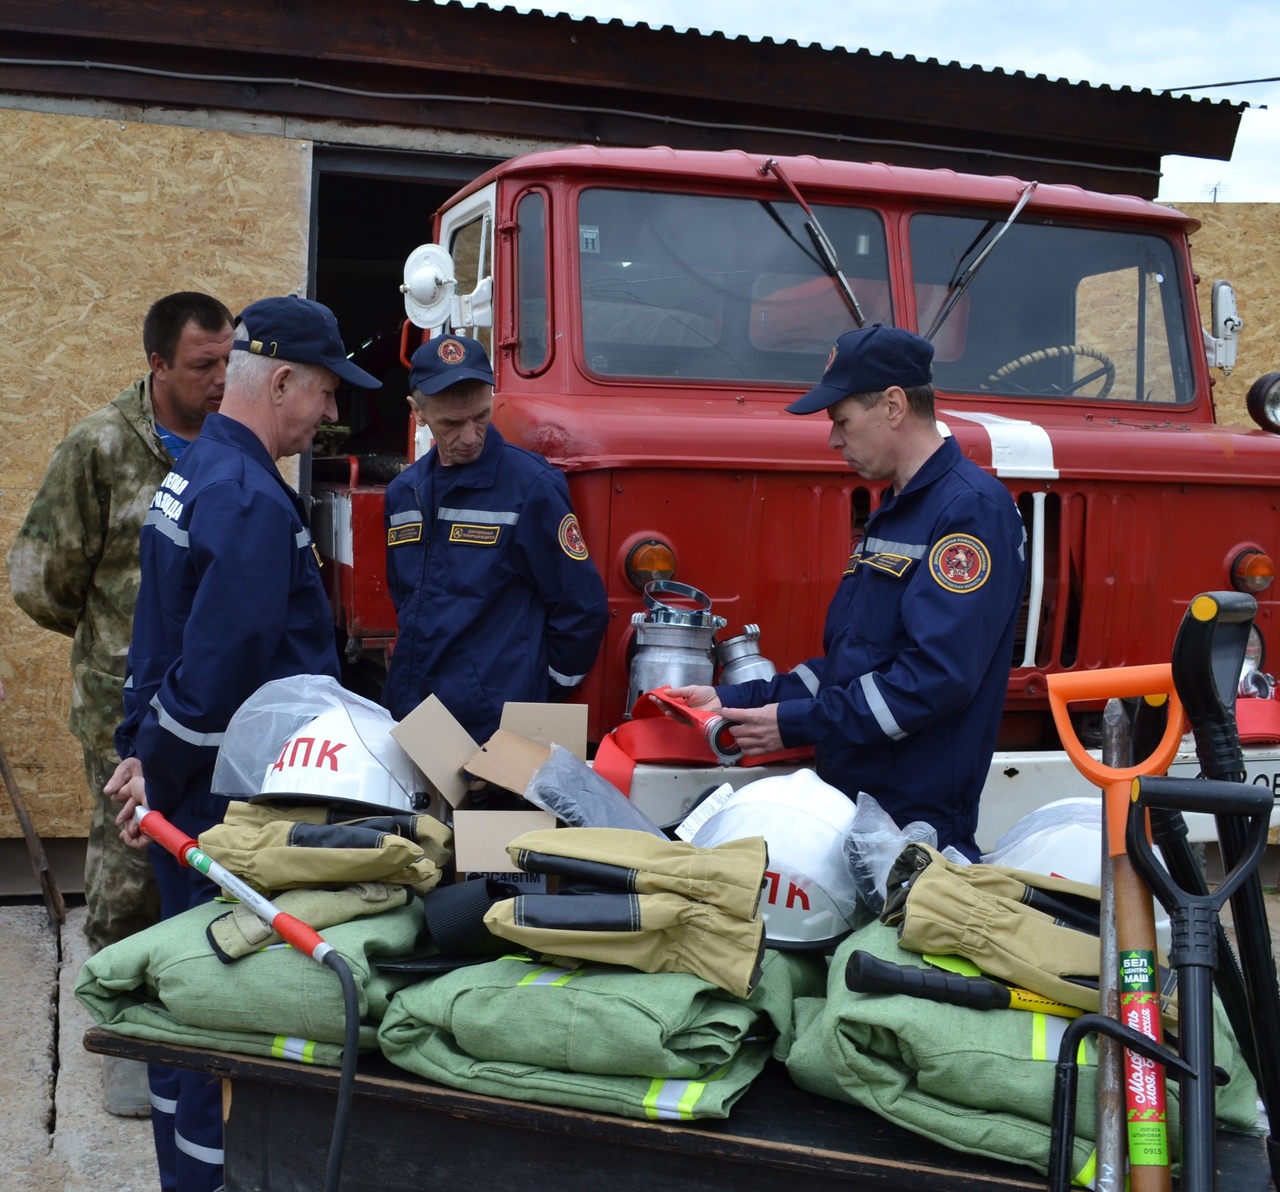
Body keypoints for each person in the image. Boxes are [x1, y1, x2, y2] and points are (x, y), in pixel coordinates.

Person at [109, 295, 379, 1192]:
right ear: (287, 380)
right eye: (328, 392)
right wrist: (159, 771)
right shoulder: (252, 500)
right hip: (226, 806)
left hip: (182, 789)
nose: (333, 414)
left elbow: (158, 645)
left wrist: (139, 753)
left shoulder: (196, 471)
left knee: (182, 996)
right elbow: (215, 670)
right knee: (219, 1017)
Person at [672, 324, 1026, 861]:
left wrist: (793, 725)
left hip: (913, 824)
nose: (834, 440)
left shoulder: (969, 509)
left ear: (892, 405)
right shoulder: (896, 508)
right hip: (857, 800)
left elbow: (936, 678)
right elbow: (849, 664)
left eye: (841, 422)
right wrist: (736, 699)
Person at [6, 291, 233, 1115]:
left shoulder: (231, 445)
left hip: (205, 703)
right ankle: (119, 1042)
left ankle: (184, 1020)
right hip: (120, 706)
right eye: (202, 365)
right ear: (158, 365)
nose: (219, 380)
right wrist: (113, 636)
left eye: (227, 362)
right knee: (128, 869)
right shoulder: (102, 447)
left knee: (199, 858)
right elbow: (39, 580)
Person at [381, 334, 608, 740]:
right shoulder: (403, 493)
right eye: (452, 423)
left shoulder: (531, 486)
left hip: (497, 726)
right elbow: (406, 598)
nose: (470, 437)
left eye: (481, 416)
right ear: (418, 413)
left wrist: (540, 690)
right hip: (414, 712)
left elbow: (580, 606)